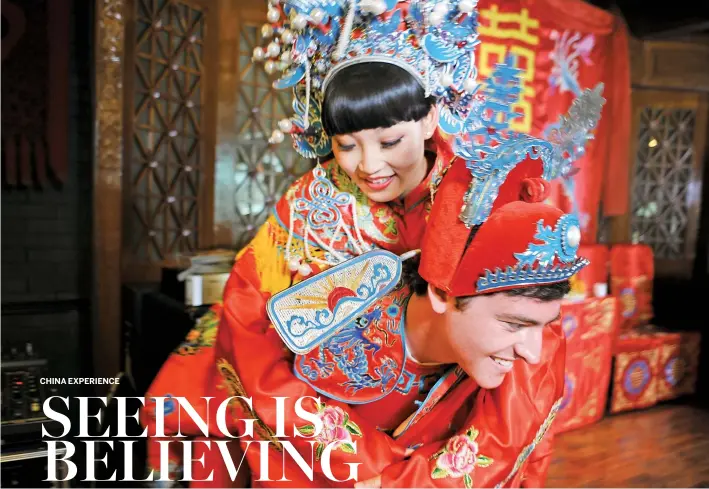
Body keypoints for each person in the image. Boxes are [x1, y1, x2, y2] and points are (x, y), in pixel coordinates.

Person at [140, 0, 603, 486]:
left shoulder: (480, 199)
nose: (368, 166)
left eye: (388, 142)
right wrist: (358, 461)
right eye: (346, 144)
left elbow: (531, 334)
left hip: (451, 404)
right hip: (325, 410)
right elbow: (249, 321)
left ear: (428, 121)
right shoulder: (308, 207)